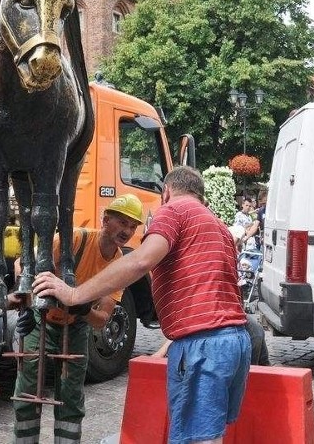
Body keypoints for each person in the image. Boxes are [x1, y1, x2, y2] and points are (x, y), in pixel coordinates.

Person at [33, 166, 251, 444]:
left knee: (196, 440)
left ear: (166, 192)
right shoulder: (219, 226)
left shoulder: (173, 211)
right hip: (234, 342)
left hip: (203, 345)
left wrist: (75, 295)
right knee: (210, 435)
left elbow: (140, 261)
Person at [10, 194, 144, 444]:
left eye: (132, 226)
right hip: (42, 322)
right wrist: (26, 307)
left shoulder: (119, 265)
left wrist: (81, 308)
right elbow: (22, 265)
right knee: (27, 391)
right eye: (122, 222)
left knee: (71, 397)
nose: (127, 230)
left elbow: (101, 319)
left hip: (75, 328)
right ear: (106, 220)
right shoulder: (75, 239)